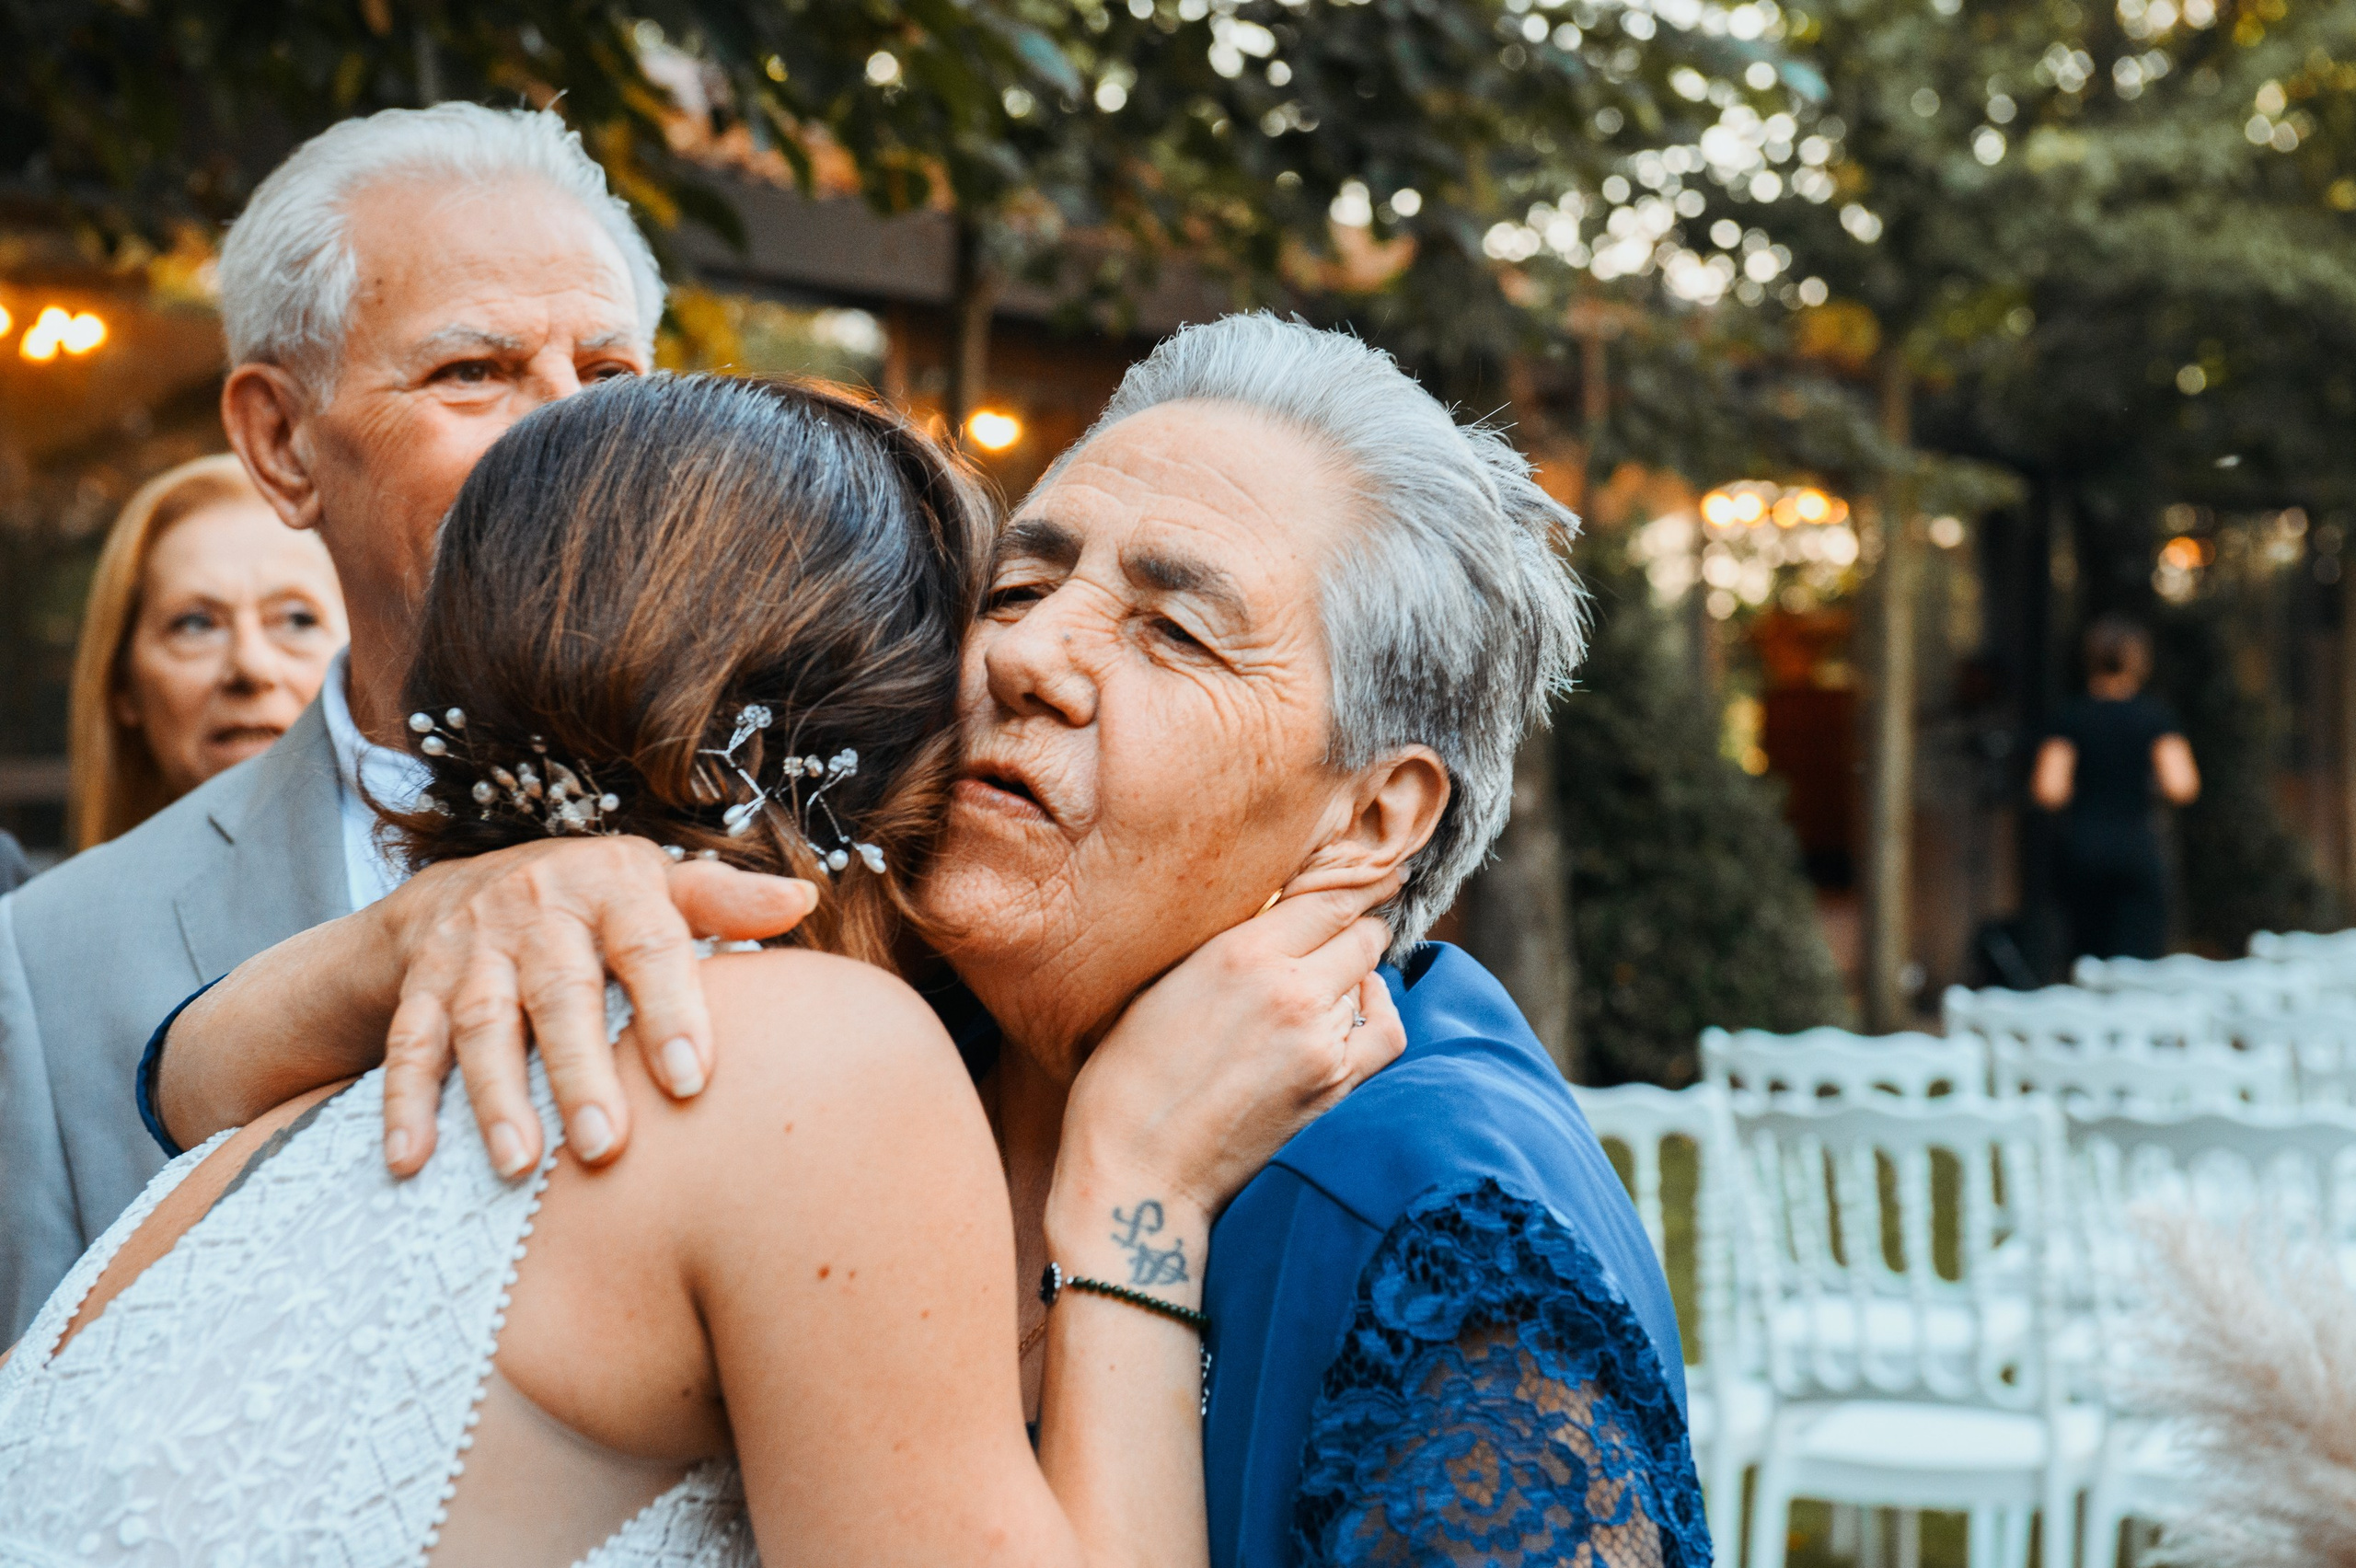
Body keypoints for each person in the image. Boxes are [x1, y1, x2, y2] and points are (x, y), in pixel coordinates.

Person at [156, 316, 1709, 1565]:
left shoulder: (1426, 1215)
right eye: (1022, 582)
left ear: (1373, 821)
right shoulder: (870, 1016)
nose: (1027, 651)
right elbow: (187, 1088)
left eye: (1171, 627)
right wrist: (430, 917)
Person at [0, 372, 1406, 1564]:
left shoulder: (239, 1148)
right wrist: (1135, 1198)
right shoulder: (810, 1057)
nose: (1021, 678)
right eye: (991, 623)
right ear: (879, 725)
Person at [0, 101, 659, 1334]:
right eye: (475, 371)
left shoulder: (832, 847)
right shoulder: (51, 966)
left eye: (612, 374)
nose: (577, 431)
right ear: (284, 442)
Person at [67, 453, 348, 850]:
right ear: (122, 684)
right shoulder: (45, 912)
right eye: (195, 624)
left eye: (297, 619)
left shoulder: (455, 902)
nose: (251, 666)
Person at [2031, 615, 2199, 963]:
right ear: (2139, 661)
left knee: (2087, 963)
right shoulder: (2155, 718)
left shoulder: (2070, 717)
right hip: (2137, 849)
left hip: (2083, 849)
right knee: (2138, 965)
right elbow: (2182, 786)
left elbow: (2048, 790)